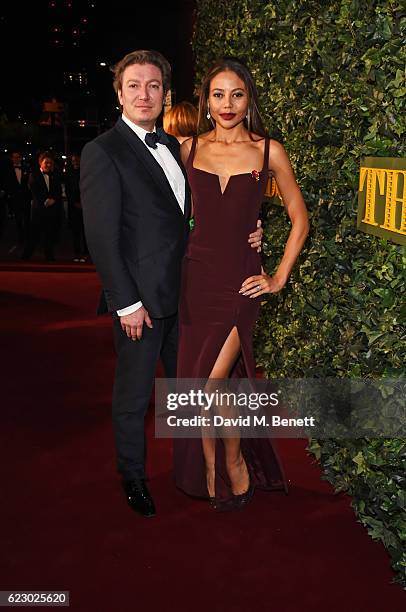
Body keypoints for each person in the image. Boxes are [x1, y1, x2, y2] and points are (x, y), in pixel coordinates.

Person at [80, 50, 263, 518]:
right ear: (119, 93)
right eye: (135, 85)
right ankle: (134, 477)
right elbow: (102, 237)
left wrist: (253, 229)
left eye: (154, 86)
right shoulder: (103, 151)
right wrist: (126, 304)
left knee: (192, 391)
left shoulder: (181, 148)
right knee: (135, 396)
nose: (145, 94)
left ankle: (196, 473)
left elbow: (200, 213)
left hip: (190, 294)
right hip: (141, 302)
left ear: (165, 94)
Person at [174, 57, 309, 510]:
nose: (227, 104)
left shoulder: (269, 150)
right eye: (218, 94)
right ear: (206, 101)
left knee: (211, 385)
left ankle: (229, 463)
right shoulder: (187, 149)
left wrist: (278, 276)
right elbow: (178, 216)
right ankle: (215, 467)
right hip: (196, 279)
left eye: (236, 94)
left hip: (240, 281)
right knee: (209, 384)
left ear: (248, 99)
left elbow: (299, 218)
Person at [22, 151, 63, 261]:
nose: (48, 165)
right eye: (46, 163)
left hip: (51, 211)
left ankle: (49, 257)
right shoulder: (34, 175)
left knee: (50, 235)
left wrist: (54, 199)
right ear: (41, 163)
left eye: (50, 163)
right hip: (38, 211)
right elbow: (34, 191)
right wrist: (46, 201)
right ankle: (25, 257)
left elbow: (58, 191)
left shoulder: (55, 175)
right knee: (34, 235)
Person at [65, 153, 88, 262]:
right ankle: (77, 252)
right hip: (73, 206)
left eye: (77, 160)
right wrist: (74, 203)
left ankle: (85, 253)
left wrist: (84, 203)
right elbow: (68, 190)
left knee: (85, 231)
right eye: (73, 160)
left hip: (86, 206)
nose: (75, 162)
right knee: (75, 231)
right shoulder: (68, 174)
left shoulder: (86, 172)